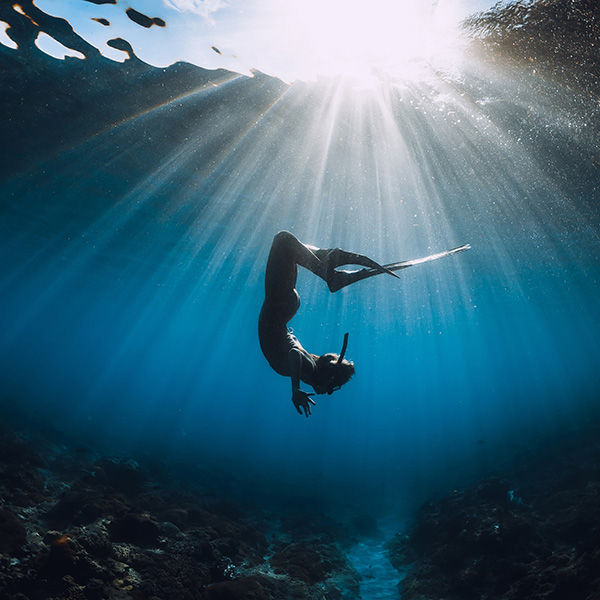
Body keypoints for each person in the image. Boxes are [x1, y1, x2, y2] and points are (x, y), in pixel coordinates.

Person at [258, 230, 400, 417]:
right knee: (284, 243)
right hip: (278, 309)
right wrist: (295, 387)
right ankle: (328, 270)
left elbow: (294, 354)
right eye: (334, 388)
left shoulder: (308, 368)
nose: (329, 392)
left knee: (285, 244)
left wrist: (296, 389)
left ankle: (327, 266)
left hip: (280, 309)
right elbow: (293, 353)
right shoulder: (308, 368)